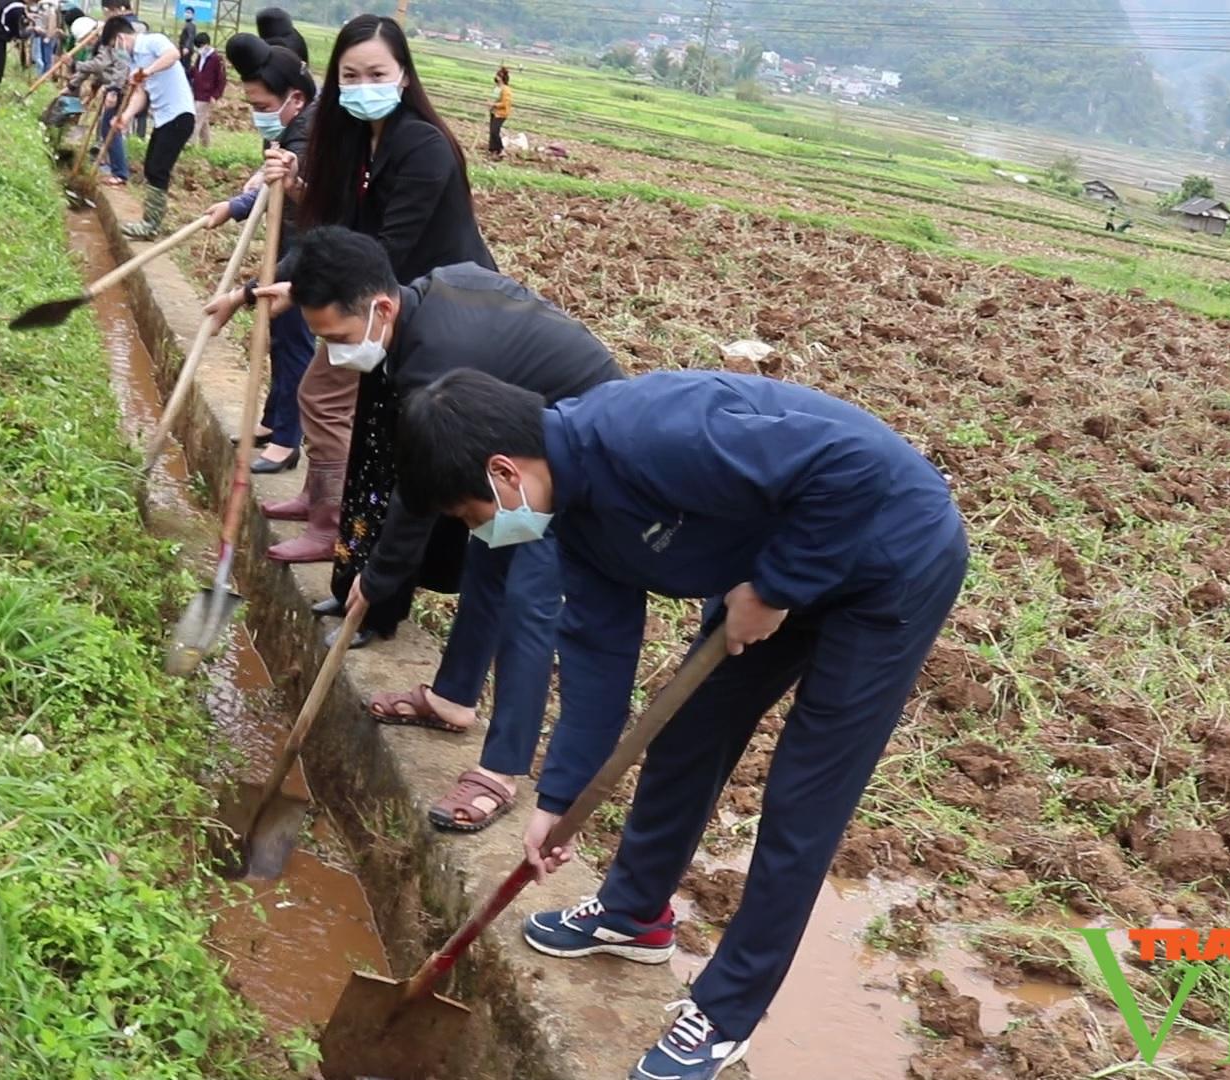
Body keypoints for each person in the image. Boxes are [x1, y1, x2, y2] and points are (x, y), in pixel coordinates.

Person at [392, 369, 969, 1080]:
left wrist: (778, 586)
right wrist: (560, 799)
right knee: (689, 732)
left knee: (803, 796)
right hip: (776, 564)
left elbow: (849, 470)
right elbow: (601, 655)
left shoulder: (653, 432)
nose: (480, 530)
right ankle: (634, 914)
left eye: (470, 515)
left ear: (504, 470)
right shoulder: (572, 520)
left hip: (889, 558)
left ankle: (727, 1012)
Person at [266, 227, 622, 832]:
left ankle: (501, 771)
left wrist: (377, 576)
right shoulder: (419, 305)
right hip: (515, 433)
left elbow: (415, 486)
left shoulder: (435, 357)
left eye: (339, 338)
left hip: (576, 447)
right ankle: (454, 698)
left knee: (528, 599)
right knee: (487, 554)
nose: (335, 352)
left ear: (380, 308)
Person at [207, 14, 493, 637]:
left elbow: (383, 250)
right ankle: (353, 583)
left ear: (404, 76)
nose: (363, 85)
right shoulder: (356, 139)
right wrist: (277, 256)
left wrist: (295, 289)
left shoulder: (421, 146)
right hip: (383, 303)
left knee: (398, 456)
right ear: (334, 80)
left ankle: (378, 603)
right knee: (367, 443)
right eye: (350, 74)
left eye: (377, 74)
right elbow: (335, 232)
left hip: (433, 313)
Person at [206, 33, 316, 476]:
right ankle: (274, 423)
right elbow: (272, 188)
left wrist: (243, 294)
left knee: (294, 345)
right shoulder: (290, 129)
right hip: (289, 240)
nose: (256, 115)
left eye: (261, 105)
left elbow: (312, 210)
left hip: (307, 253)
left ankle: (288, 441)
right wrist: (234, 206)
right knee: (282, 338)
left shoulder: (309, 143)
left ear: (295, 98)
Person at [110, 19, 196, 239]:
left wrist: (147, 71)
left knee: (159, 168)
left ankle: (151, 225)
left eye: (114, 46)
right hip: (163, 118)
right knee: (150, 167)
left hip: (179, 115)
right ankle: (149, 221)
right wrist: (126, 116)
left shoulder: (152, 41)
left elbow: (173, 55)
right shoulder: (133, 60)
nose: (116, 52)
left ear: (120, 38)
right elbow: (140, 94)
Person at [71, 16, 135, 187]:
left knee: (111, 128)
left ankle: (119, 172)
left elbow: (116, 66)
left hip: (120, 88)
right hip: (114, 87)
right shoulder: (106, 40)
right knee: (107, 127)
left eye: (88, 39)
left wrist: (113, 90)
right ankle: (113, 167)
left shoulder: (111, 41)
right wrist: (74, 84)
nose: (88, 43)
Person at [190, 33, 225, 148]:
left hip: (206, 94)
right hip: (197, 92)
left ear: (207, 45)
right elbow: (195, 71)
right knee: (203, 121)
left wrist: (215, 95)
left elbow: (221, 79)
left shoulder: (216, 59)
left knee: (195, 119)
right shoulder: (201, 57)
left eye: (200, 46)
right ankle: (206, 145)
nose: (199, 49)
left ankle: (189, 144)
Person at [489, 65, 512, 156]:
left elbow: (505, 104)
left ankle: (501, 149)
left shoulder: (506, 90)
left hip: (501, 114)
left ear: (501, 78)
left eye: (498, 76)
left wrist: (493, 104)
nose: (496, 78)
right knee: (492, 131)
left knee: (495, 131)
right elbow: (494, 98)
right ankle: (492, 149)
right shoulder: (497, 88)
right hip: (494, 112)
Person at [179, 7, 199, 73]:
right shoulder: (187, 24)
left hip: (186, 50)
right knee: (182, 66)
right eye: (186, 12)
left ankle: (187, 81)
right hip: (183, 48)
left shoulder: (191, 25)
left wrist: (186, 47)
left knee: (185, 68)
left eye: (189, 13)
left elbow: (191, 37)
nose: (187, 14)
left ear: (193, 15)